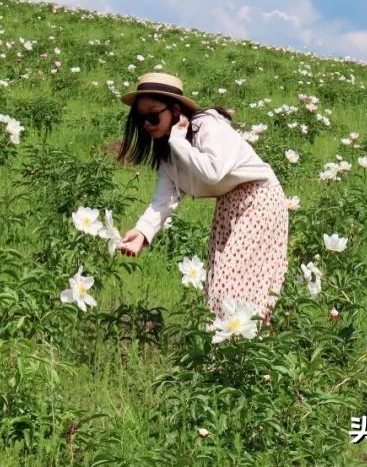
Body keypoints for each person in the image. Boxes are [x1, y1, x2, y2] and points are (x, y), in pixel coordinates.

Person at [116, 72, 289, 323]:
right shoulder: (168, 153)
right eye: (141, 118)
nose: (147, 124)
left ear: (175, 111)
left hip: (259, 197)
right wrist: (142, 232)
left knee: (234, 283)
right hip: (228, 204)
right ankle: (227, 352)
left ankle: (243, 348)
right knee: (218, 280)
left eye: (153, 115)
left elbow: (214, 173)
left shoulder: (208, 126)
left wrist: (178, 139)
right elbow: (164, 200)